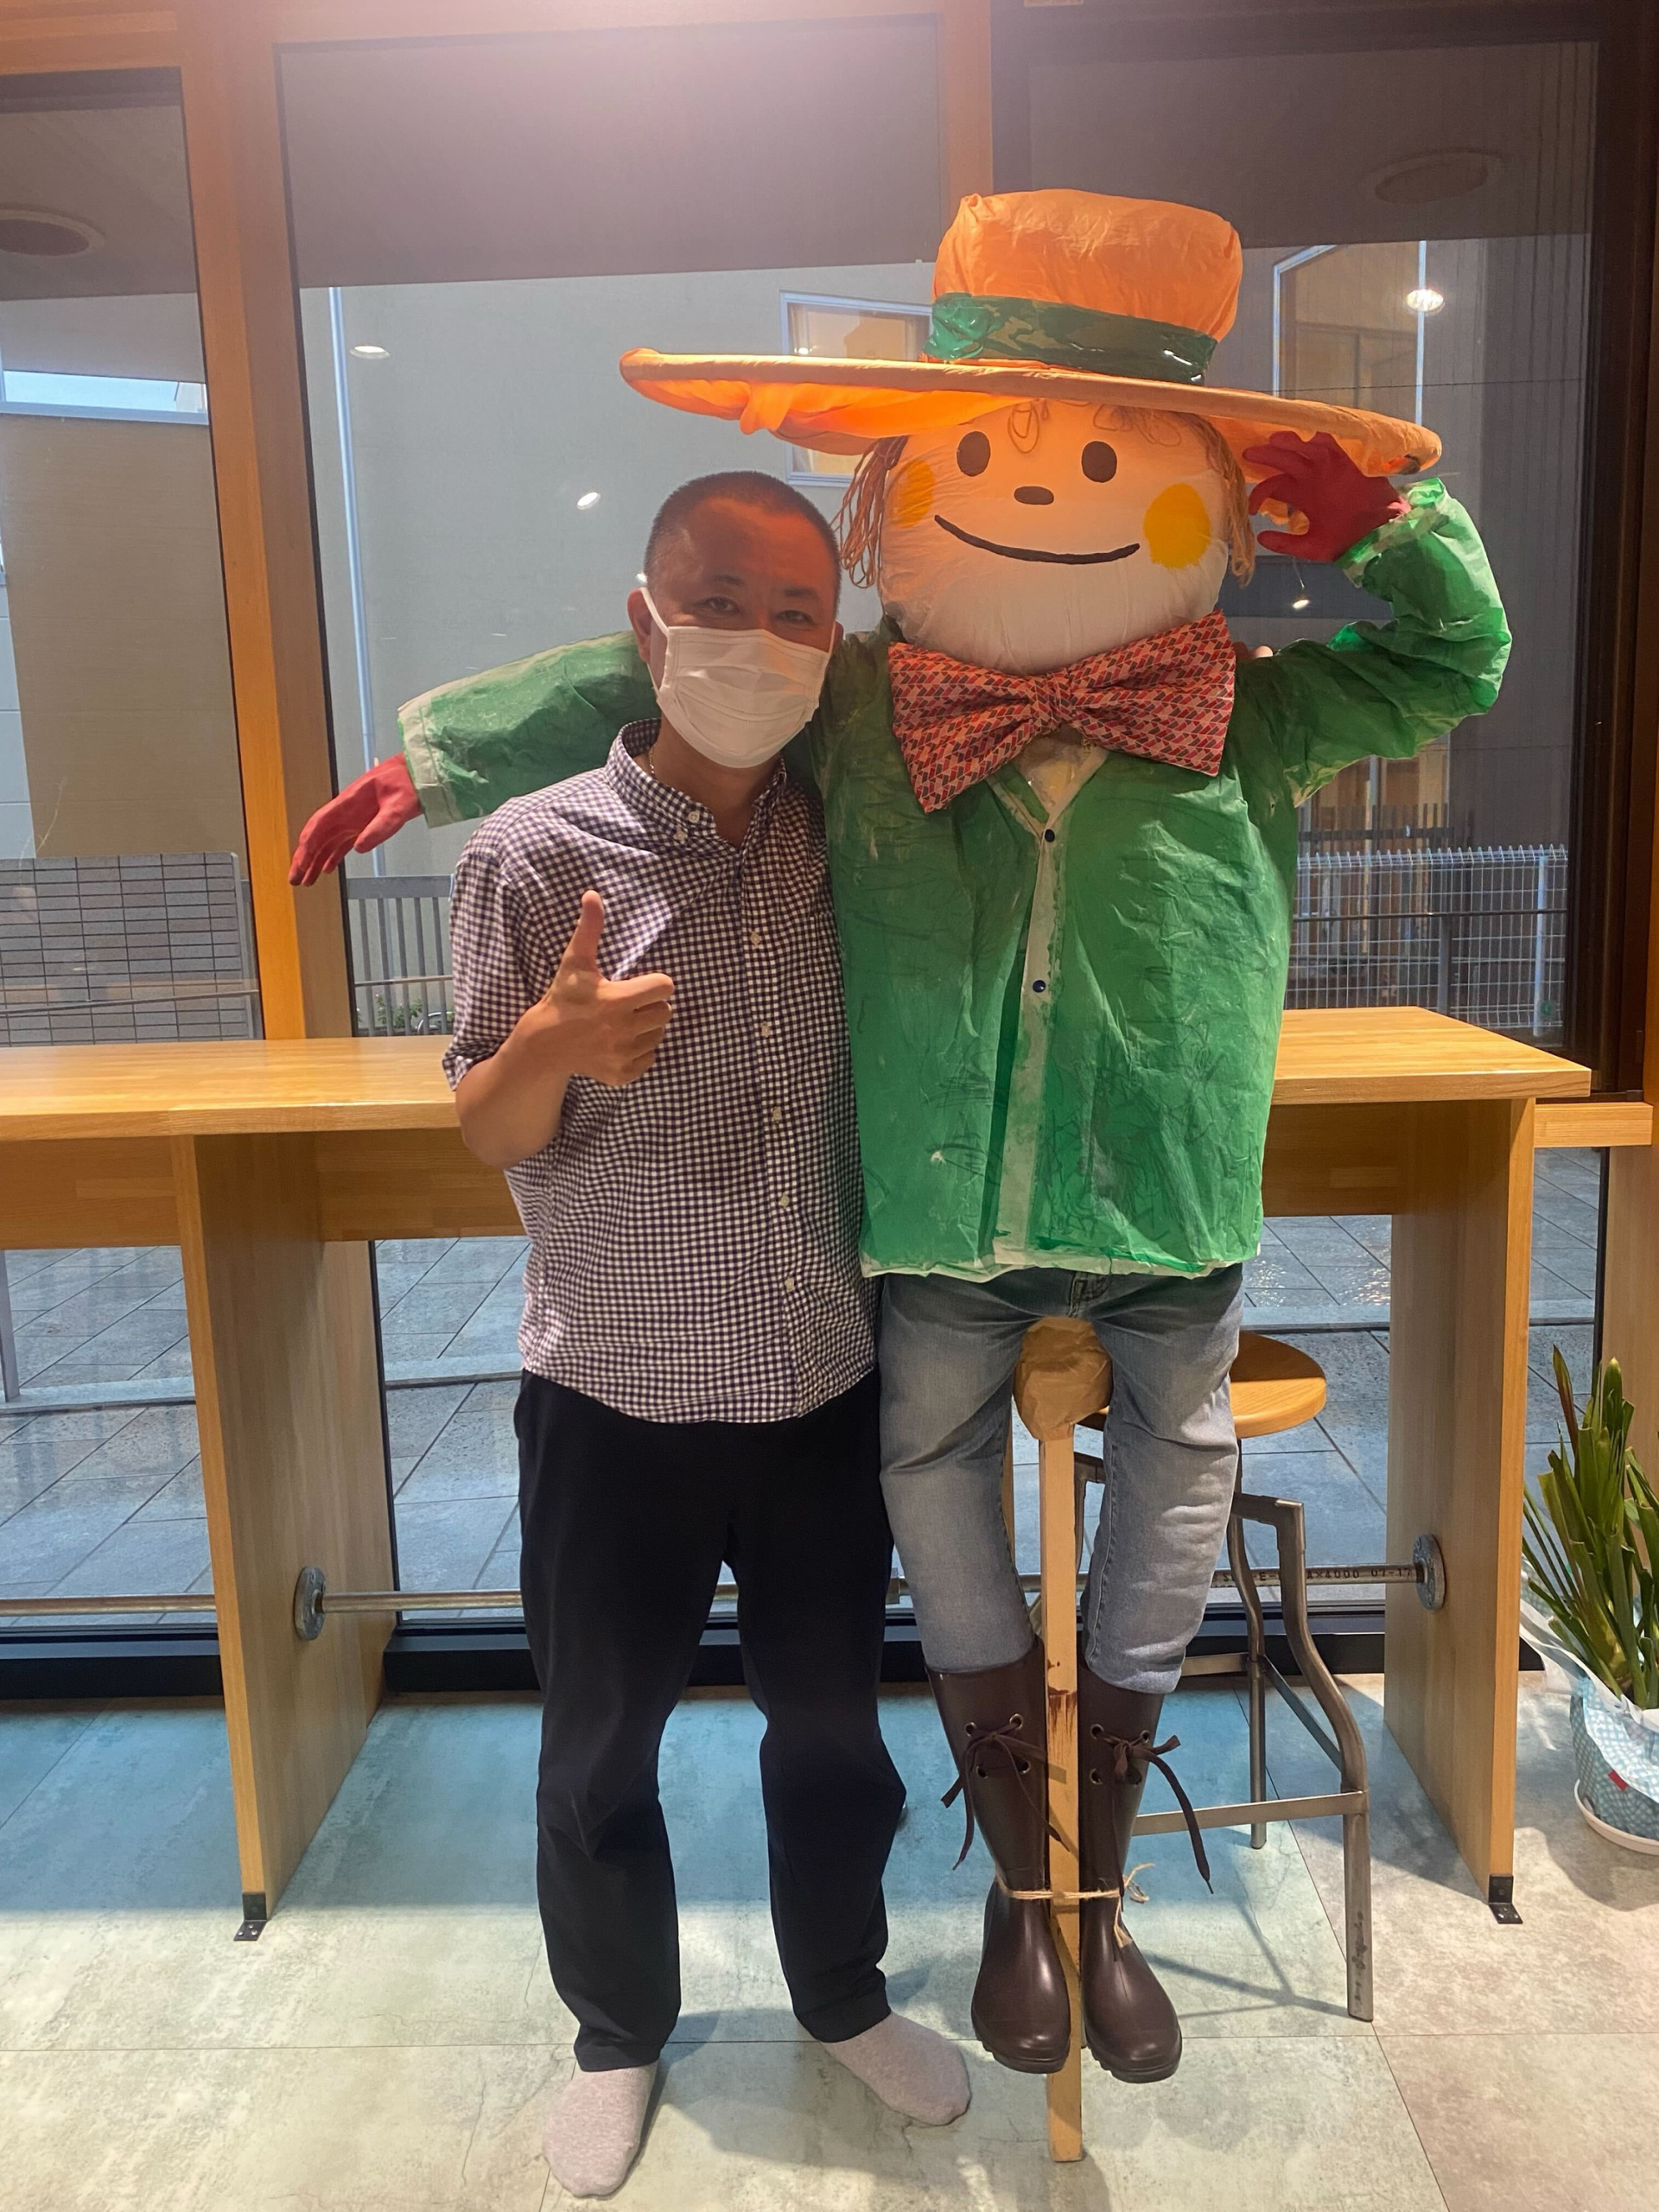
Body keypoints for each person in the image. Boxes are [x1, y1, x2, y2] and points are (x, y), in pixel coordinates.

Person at [297, 191, 1510, 2094]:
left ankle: (1079, 1892)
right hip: (926, 1231)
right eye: (998, 455)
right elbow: (658, 662)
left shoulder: (1241, 710)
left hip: (1167, 1200)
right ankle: (934, 1910)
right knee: (913, 1508)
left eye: (1108, 459)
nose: (1048, 493)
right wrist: (443, 758)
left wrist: (1388, 523)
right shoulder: (859, 709)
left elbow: (1448, 665)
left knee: (1169, 1487)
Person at [444, 471, 969, 2199]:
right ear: (646, 619)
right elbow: (485, 1127)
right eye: (721, 601)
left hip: (820, 1380)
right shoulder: (532, 852)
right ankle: (617, 2030)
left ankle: (842, 1994)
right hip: (615, 1390)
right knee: (599, 1741)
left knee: (833, 1729)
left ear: (834, 643)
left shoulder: (849, 838)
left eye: (798, 611)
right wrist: (550, 1048)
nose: (759, 640)